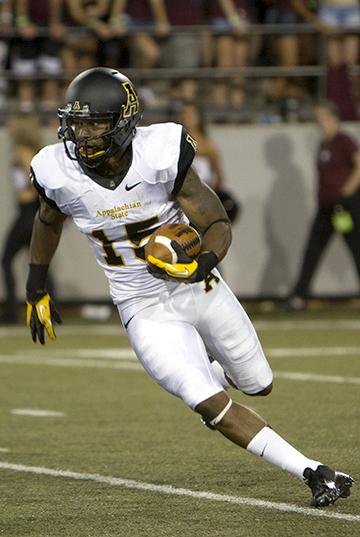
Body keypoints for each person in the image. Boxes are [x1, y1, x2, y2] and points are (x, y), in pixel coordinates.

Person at [25, 67, 354, 508]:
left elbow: (215, 222)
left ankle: (213, 372)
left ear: (123, 123)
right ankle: (314, 472)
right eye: (76, 123)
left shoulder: (158, 153)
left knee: (258, 384)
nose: (81, 136)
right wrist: (36, 286)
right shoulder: (57, 169)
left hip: (199, 287)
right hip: (142, 307)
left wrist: (202, 264)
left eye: (94, 124)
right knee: (206, 401)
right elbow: (47, 221)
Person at [287, 100, 360, 310]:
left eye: (324, 119)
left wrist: (346, 192)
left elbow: (358, 164)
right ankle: (300, 296)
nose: (321, 124)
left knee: (356, 249)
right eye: (318, 120)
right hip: (327, 208)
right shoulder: (324, 144)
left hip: (345, 207)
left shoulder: (344, 140)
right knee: (313, 250)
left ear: (334, 118)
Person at [1, 114, 42, 323]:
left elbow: (37, 185)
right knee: (37, 262)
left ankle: (11, 312)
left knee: (6, 260)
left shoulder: (23, 152)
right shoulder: (25, 150)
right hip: (30, 213)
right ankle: (47, 306)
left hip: (27, 212)